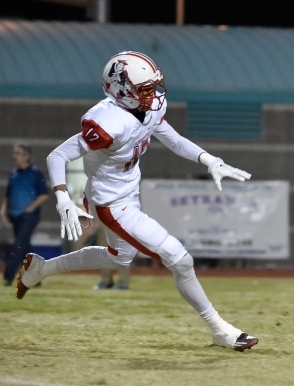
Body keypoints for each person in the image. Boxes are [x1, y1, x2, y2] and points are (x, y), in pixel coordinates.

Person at [15, 51, 258, 352]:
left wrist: (209, 160)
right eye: (144, 89)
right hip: (112, 204)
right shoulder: (108, 121)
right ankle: (220, 329)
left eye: (153, 87)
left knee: (119, 257)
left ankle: (41, 269)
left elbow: (172, 138)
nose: (152, 95)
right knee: (180, 260)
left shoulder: (150, 108)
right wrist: (62, 196)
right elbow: (58, 155)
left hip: (128, 191)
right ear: (121, 90)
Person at [1, 143, 49, 286]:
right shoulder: (14, 174)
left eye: (17, 153)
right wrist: (3, 210)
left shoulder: (35, 173)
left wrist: (30, 208)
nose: (14, 156)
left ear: (25, 156)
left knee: (18, 245)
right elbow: (8, 195)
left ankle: (8, 276)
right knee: (24, 247)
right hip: (15, 216)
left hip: (29, 216)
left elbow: (44, 195)